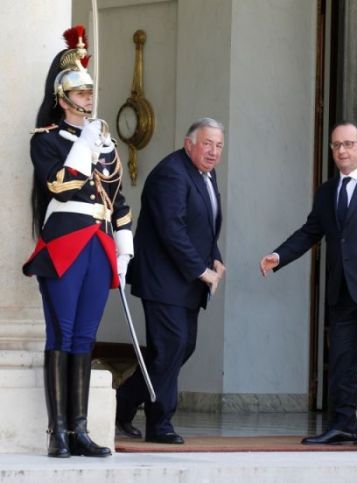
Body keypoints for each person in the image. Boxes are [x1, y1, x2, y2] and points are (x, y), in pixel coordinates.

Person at [259, 121, 357, 450]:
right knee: (342, 361)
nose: (342, 151)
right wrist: (279, 256)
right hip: (342, 288)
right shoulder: (327, 191)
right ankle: (344, 427)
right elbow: (310, 232)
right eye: (336, 146)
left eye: (348, 144)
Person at [23, 25, 133, 458]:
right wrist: (84, 146)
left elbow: (117, 196)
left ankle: (82, 430)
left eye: (90, 94)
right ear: (62, 99)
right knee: (63, 333)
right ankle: (59, 433)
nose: (88, 100)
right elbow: (59, 186)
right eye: (81, 95)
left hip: (98, 244)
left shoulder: (101, 141)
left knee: (86, 337)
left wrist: (124, 246)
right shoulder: (47, 141)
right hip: (66, 241)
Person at [115, 118, 226, 444]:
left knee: (178, 348)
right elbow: (172, 230)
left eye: (219, 146)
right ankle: (159, 423)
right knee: (172, 347)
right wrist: (201, 270)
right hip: (164, 279)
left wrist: (215, 257)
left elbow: (203, 223)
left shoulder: (205, 173)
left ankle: (121, 404)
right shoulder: (171, 174)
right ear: (189, 143)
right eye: (207, 144)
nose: (213, 152)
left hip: (185, 280)